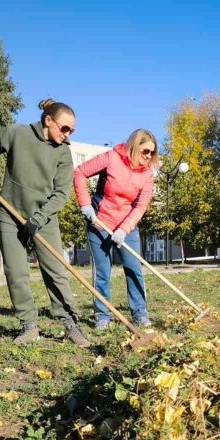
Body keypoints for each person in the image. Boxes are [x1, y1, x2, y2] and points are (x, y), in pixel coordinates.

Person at [0, 99, 90, 347]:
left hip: (44, 218)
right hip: (10, 214)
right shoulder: (17, 133)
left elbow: (61, 193)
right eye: (65, 128)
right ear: (48, 120)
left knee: (56, 272)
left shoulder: (62, 152)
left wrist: (37, 219)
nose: (67, 134)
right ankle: (29, 326)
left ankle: (70, 324)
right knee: (16, 273)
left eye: (71, 130)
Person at [73, 129, 158, 329]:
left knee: (133, 269)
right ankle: (102, 315)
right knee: (102, 271)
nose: (148, 156)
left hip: (126, 226)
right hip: (100, 223)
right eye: (145, 151)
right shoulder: (111, 157)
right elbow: (80, 172)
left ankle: (139, 312)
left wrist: (125, 229)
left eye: (152, 153)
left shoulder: (147, 174)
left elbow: (141, 206)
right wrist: (85, 204)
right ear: (134, 146)